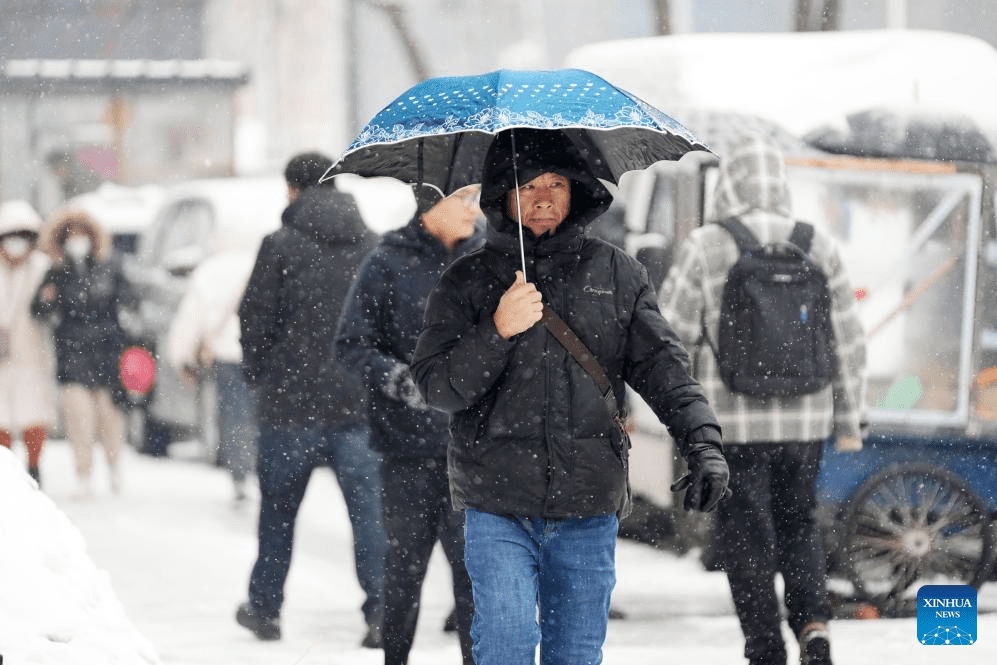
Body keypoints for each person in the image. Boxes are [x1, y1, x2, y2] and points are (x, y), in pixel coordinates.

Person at [409, 128, 730, 665]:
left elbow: (665, 368)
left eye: (556, 183)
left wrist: (704, 443)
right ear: (501, 194)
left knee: (575, 655)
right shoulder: (466, 280)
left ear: (577, 191)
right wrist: (498, 329)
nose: (542, 197)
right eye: (528, 184)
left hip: (588, 502)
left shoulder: (617, 273)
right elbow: (437, 387)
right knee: (507, 645)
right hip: (497, 503)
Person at [658, 133, 867, 665]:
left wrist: (678, 418)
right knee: (800, 525)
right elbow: (848, 339)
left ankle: (765, 646)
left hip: (731, 423)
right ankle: (814, 625)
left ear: (730, 180)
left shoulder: (707, 243)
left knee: (744, 535)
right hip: (806, 419)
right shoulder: (815, 242)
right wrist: (848, 418)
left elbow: (670, 334)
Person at [235, 152, 386, 647]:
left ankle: (265, 609)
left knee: (278, 514)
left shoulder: (278, 245)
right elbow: (386, 321)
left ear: (292, 190)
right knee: (370, 518)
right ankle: (382, 613)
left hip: (289, 405)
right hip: (357, 405)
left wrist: (261, 374)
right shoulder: (372, 245)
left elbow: (254, 318)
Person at [335, 183, 483, 665]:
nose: (473, 210)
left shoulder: (489, 259)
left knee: (476, 577)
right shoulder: (387, 261)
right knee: (403, 574)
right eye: (463, 199)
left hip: (473, 450)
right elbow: (352, 343)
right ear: (432, 203)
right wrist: (399, 381)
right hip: (405, 451)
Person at [32, 207, 135, 498]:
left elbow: (127, 304)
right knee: (79, 417)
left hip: (107, 351)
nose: (77, 240)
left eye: (81, 235)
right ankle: (83, 472)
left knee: (110, 415)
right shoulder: (57, 271)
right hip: (72, 352)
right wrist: (46, 299)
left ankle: (114, 466)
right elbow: (38, 310)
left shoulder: (110, 266)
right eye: (70, 236)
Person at [166, 247, 259, 503]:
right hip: (263, 352)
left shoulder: (211, 270)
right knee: (263, 412)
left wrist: (181, 356)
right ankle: (263, 467)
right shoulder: (268, 258)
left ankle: (241, 474)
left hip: (227, 352)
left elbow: (191, 316)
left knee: (234, 414)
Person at [0, 200, 56, 486]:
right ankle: (6, 471)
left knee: (32, 413)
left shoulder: (44, 269)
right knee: (2, 416)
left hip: (31, 351)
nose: (15, 244)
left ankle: (34, 467)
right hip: (1, 357)